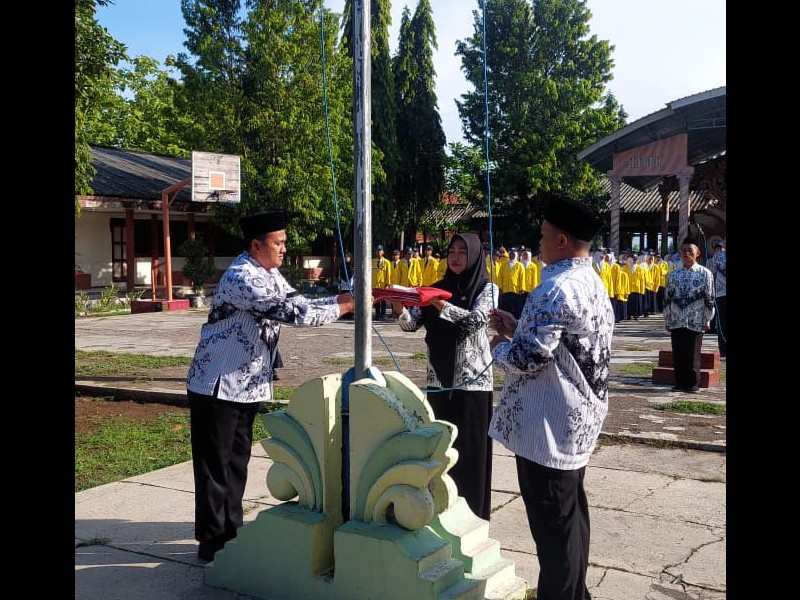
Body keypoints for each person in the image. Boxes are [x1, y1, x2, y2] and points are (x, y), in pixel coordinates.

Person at [185, 210, 356, 563]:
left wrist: (345, 299)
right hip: (216, 384)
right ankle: (212, 541)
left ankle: (231, 531)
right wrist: (348, 305)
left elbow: (300, 303)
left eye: (284, 242)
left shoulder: (269, 273)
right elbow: (297, 315)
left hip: (245, 385)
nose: (283, 249)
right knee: (215, 466)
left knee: (236, 463)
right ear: (256, 245)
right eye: (278, 243)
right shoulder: (242, 277)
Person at [488, 194, 614, 600]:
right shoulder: (590, 281)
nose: (538, 241)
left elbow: (528, 358)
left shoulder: (556, 286)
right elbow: (567, 346)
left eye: (543, 235)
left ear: (561, 240)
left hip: (547, 426)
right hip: (576, 420)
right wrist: (517, 327)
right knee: (571, 517)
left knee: (554, 529)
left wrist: (498, 348)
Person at [389, 233, 499, 521]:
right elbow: (411, 325)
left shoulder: (487, 289)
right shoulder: (436, 288)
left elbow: (475, 322)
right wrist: (399, 306)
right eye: (452, 251)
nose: (456, 257)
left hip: (472, 383)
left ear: (474, 256)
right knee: (442, 451)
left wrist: (438, 302)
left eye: (463, 251)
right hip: (439, 380)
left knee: (470, 453)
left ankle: (473, 516)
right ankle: (441, 511)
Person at [662, 238, 716, 393]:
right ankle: (679, 382)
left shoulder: (705, 274)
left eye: (690, 251)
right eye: (684, 250)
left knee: (693, 353)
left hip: (696, 319)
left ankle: (692, 383)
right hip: (676, 319)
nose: (686, 253)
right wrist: (667, 319)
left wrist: (707, 319)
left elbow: (710, 298)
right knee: (678, 352)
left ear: (697, 253)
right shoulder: (673, 274)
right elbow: (667, 298)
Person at [706, 238, 726, 358]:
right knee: (722, 321)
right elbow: (712, 271)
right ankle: (723, 348)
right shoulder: (717, 256)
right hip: (721, 293)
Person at [372, 244, 392, 320]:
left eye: (380, 250)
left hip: (383, 284)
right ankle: (377, 314)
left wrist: (388, 284)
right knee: (376, 299)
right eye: (377, 251)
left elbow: (388, 274)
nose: (379, 252)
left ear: (383, 252)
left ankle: (383, 314)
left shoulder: (387, 262)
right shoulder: (372, 261)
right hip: (374, 284)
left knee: (383, 300)